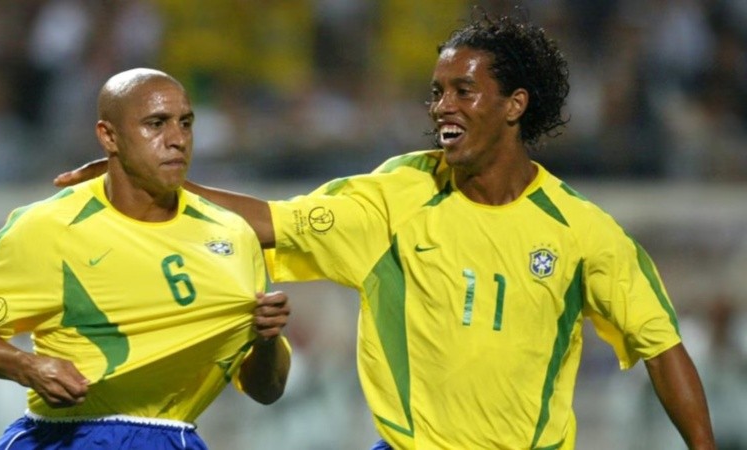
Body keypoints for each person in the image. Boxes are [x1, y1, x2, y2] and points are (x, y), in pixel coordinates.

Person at [55, 11, 715, 450]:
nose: (442, 107)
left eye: (464, 90)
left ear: (517, 105)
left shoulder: (582, 231)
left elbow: (661, 348)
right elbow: (269, 221)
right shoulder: (398, 196)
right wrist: (148, 181)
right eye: (436, 92)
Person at [0, 68, 291, 449]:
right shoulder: (52, 226)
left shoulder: (232, 235)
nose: (177, 139)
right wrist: (27, 366)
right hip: (70, 436)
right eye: (156, 124)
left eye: (186, 123)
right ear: (108, 136)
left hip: (176, 439)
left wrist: (266, 341)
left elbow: (267, 390)